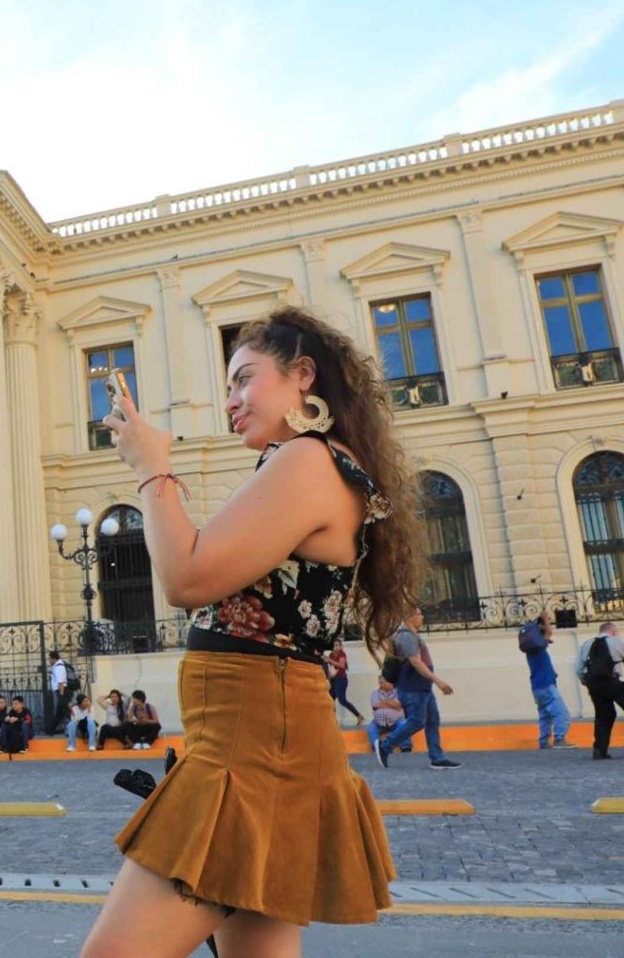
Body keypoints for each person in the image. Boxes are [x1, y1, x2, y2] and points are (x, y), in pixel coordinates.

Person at [86, 307, 422, 957]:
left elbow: (186, 576)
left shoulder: (306, 460)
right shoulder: (313, 463)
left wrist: (152, 468)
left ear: (303, 375)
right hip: (266, 736)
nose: (232, 401)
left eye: (244, 379)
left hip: (254, 746)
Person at [374, 610, 460, 769]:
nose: (422, 617)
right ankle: (385, 746)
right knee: (417, 722)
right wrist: (438, 682)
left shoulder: (412, 635)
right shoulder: (406, 636)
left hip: (423, 687)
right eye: (419, 614)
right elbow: (416, 662)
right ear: (408, 616)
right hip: (413, 688)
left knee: (432, 721)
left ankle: (437, 758)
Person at [576, 622, 624, 760]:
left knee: (603, 716)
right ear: (612, 631)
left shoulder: (587, 644)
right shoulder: (618, 642)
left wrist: (585, 681)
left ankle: (599, 750)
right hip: (612, 681)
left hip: (593, 683)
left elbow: (578, 668)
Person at [523, 611, 576, 749]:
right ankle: (559, 739)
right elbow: (549, 632)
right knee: (562, 714)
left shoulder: (532, 650)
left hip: (537, 687)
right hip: (546, 685)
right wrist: (545, 618)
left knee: (545, 715)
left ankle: (544, 741)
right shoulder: (539, 647)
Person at [365, 677, 413, 755]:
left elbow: (398, 705)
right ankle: (377, 747)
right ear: (382, 684)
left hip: (396, 721)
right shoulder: (375, 693)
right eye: (389, 682)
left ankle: (406, 746)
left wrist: (384, 702)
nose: (392, 683)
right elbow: (375, 705)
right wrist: (391, 704)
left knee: (404, 724)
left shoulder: (397, 692)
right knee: (371, 728)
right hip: (379, 723)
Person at [324, 639, 365, 725]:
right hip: (333, 680)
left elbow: (342, 665)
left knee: (342, 700)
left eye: (339, 645)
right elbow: (331, 667)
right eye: (335, 645)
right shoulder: (331, 654)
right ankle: (332, 721)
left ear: (341, 646)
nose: (337, 647)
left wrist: (330, 661)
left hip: (341, 679)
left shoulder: (342, 654)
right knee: (330, 700)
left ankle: (358, 715)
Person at [46, 651, 74, 736]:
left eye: (49, 658)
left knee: (65, 711)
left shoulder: (59, 667)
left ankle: (70, 729)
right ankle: (50, 729)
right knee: (60, 712)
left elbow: (61, 682)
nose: (49, 660)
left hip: (62, 691)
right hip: (61, 691)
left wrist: (61, 695)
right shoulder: (57, 666)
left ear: (53, 658)